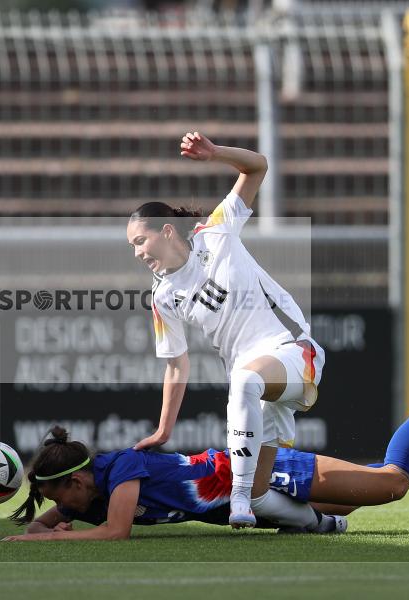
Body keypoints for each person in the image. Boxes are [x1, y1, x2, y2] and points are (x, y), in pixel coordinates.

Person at [2, 359, 409, 541]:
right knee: (350, 502)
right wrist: (41, 523)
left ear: (78, 480)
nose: (58, 509)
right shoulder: (86, 493)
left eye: (56, 498)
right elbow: (60, 518)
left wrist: (46, 539)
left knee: (392, 486)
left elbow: (116, 533)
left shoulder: (122, 471)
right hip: (251, 499)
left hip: (257, 475)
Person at [126, 132, 325, 528]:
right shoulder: (163, 296)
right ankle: (327, 524)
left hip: (294, 352)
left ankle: (236, 495)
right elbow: (176, 366)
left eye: (140, 240)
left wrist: (216, 154)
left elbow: (258, 166)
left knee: (244, 382)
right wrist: (164, 429)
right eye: (131, 246)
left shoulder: (216, 233)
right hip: (255, 386)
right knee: (263, 499)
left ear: (167, 230)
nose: (137, 252)